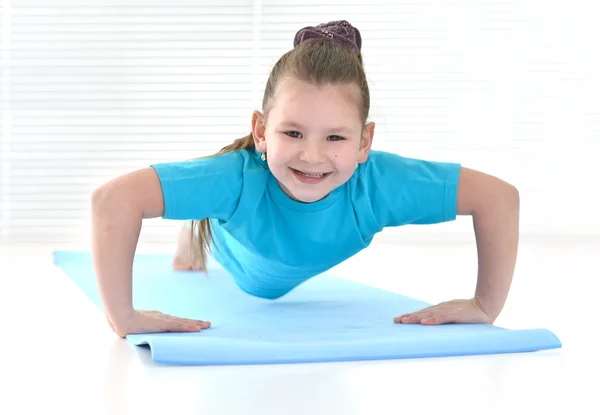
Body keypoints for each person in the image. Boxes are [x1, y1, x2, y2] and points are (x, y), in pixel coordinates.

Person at [91, 20, 520, 339]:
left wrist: (485, 305)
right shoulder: (238, 180)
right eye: (292, 133)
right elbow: (112, 200)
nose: (312, 155)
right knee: (199, 239)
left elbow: (500, 198)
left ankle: (197, 222)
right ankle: (195, 229)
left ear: (364, 141)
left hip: (277, 249)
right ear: (261, 131)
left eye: (335, 136)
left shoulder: (380, 183)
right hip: (241, 251)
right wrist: (122, 317)